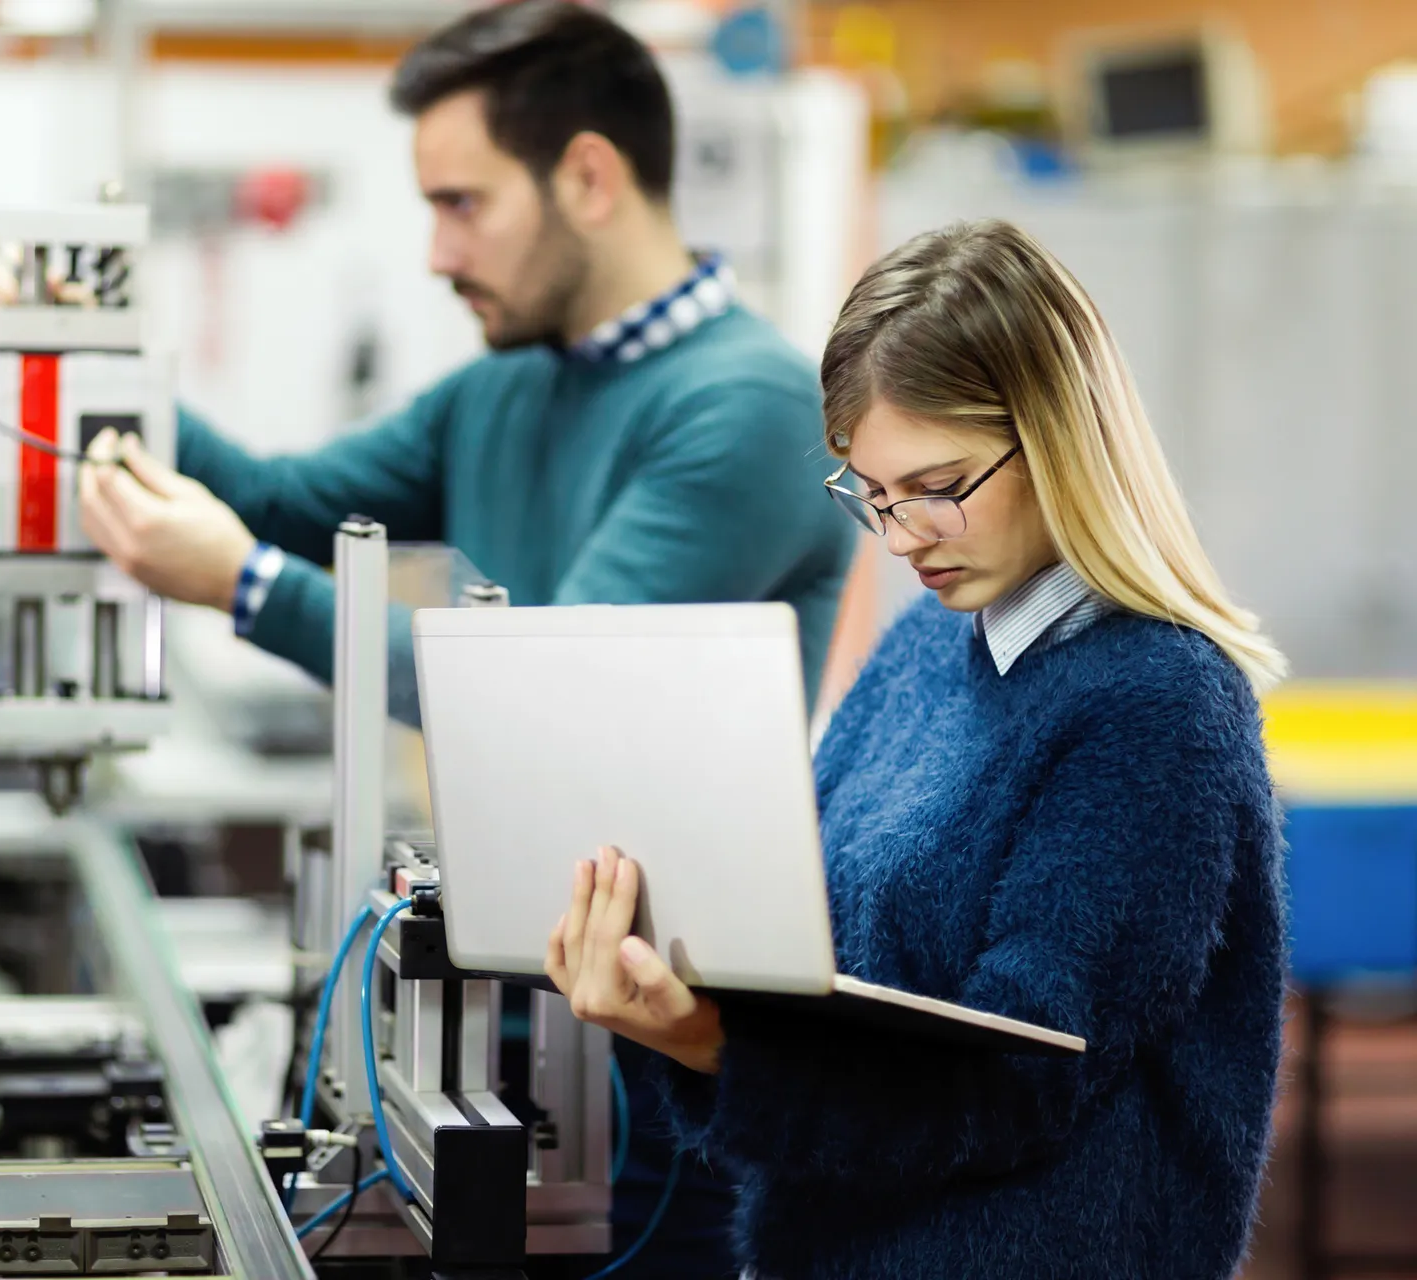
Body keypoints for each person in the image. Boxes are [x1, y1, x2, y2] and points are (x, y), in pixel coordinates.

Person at [72, 6, 852, 1277]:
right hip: (518, 1010)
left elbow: (548, 697)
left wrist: (247, 587)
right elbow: (274, 499)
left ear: (589, 177)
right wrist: (76, 364)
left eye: (461, 202)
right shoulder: (506, 382)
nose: (436, 250)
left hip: (669, 1050)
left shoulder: (748, 407)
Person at [545, 219, 1288, 1280]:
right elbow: (813, 944)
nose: (901, 539)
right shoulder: (922, 649)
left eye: (940, 488)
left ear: (1060, 437)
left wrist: (712, 1044)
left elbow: (1015, 1079)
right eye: (873, 495)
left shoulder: (1158, 705)